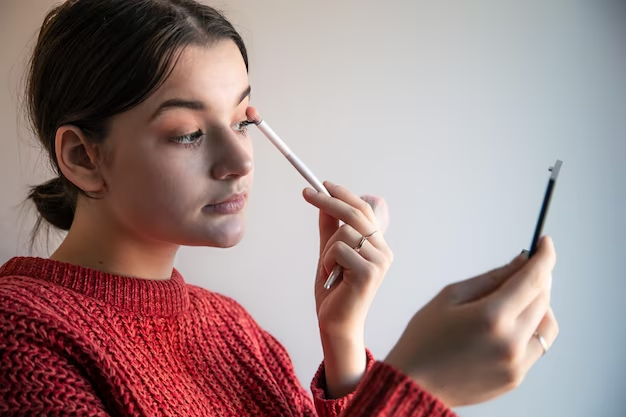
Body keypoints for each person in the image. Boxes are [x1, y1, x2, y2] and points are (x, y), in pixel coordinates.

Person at [0, 0, 558, 416]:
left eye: (243, 120)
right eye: (190, 132)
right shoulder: (19, 336)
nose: (240, 159)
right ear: (82, 156)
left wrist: (343, 345)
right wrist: (422, 387)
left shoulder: (234, 330)